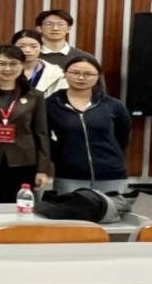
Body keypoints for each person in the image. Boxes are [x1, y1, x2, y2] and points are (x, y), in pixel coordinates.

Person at [47, 54, 131, 194]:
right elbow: (43, 136)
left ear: (98, 76)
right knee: (70, 208)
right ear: (65, 74)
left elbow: (122, 136)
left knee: (111, 208)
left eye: (88, 74)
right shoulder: (51, 104)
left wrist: (113, 156)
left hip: (111, 174)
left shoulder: (114, 105)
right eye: (75, 73)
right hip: (69, 175)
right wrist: (60, 155)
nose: (81, 78)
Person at [0, 45, 51, 201]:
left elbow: (42, 133)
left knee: (20, 205)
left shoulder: (34, 95)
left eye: (13, 63)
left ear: (22, 65)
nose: (7, 68)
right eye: (2, 63)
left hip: (24, 160)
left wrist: (43, 169)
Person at [12, 29, 66, 96]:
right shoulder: (4, 69)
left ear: (41, 48)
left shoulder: (54, 72)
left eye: (33, 46)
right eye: (21, 46)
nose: (27, 50)